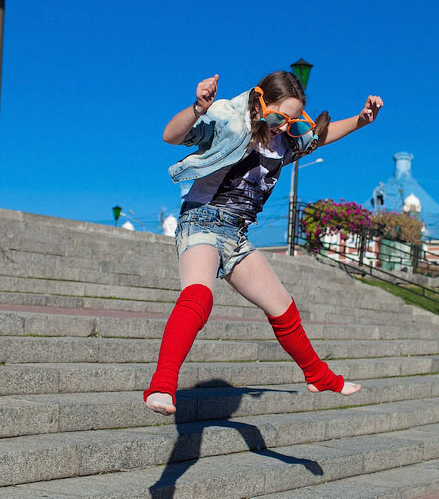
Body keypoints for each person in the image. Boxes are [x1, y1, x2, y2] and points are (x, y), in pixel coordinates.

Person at [143, 70, 384, 415]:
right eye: (276, 117)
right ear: (259, 103)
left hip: (237, 236)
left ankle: (318, 375)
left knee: (283, 306)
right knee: (199, 295)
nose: (282, 127)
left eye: (292, 121)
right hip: (202, 223)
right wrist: (198, 107)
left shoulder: (284, 141)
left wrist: (362, 120)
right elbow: (171, 135)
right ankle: (162, 385)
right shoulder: (228, 122)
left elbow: (320, 135)